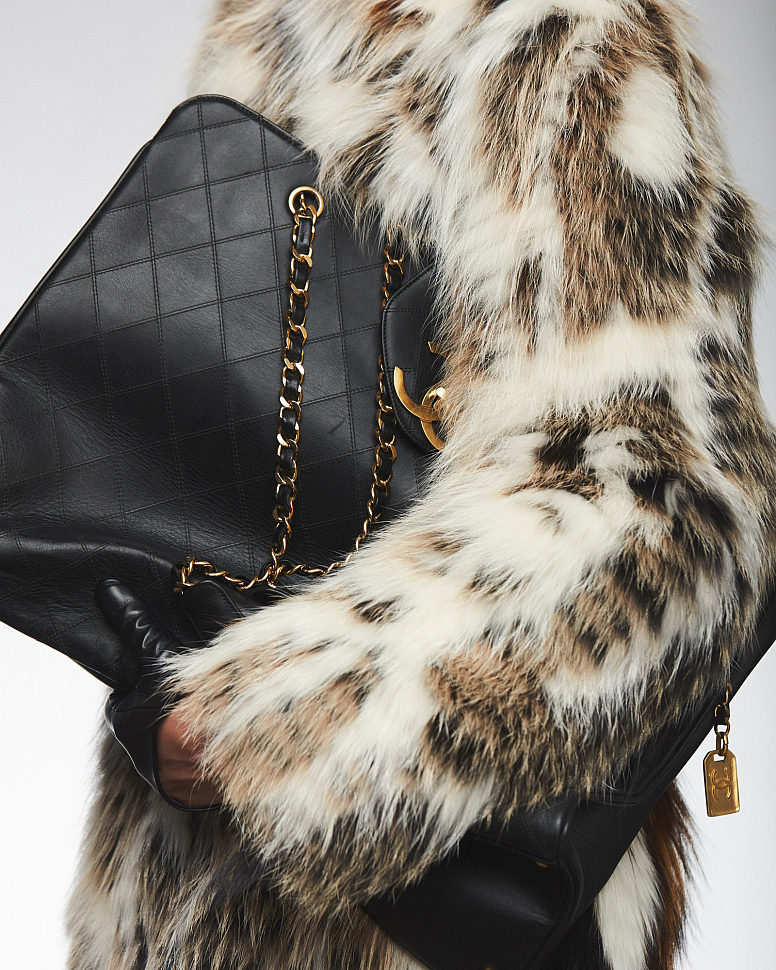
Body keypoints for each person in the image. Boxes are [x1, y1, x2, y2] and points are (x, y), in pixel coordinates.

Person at [65, 1, 776, 969]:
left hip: (448, 895)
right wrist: (151, 673)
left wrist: (283, 733)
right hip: (186, 886)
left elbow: (669, 506)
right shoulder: (262, 19)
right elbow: (221, 449)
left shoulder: (571, 32)